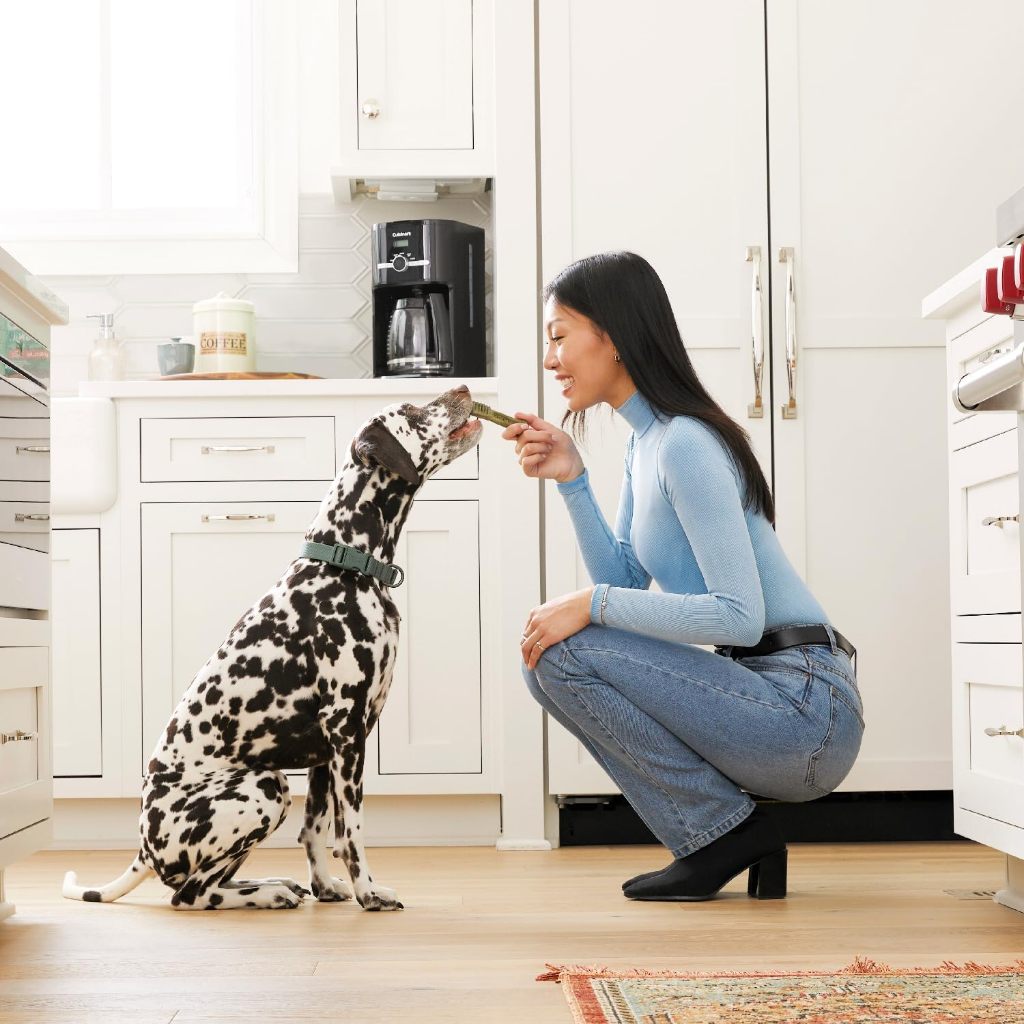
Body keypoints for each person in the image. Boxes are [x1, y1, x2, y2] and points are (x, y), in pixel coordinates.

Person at [502, 251, 864, 902]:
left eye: (559, 337)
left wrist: (590, 603)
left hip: (806, 711)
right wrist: (573, 479)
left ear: (612, 335)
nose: (551, 359)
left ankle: (722, 835)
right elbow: (625, 579)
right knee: (547, 657)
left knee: (564, 646)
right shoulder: (646, 444)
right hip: (762, 693)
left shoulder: (685, 443)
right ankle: (722, 835)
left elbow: (739, 618)